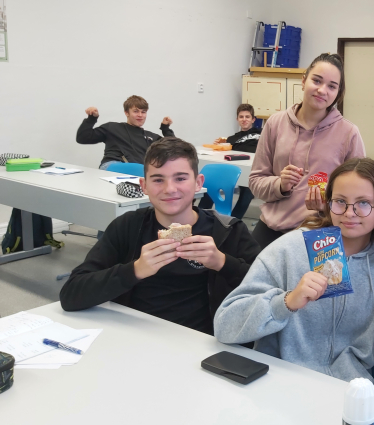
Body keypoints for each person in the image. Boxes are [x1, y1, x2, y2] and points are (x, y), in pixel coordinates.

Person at [214, 158, 374, 384]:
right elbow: (224, 326)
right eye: (340, 201)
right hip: (277, 381)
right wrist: (286, 302)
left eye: (364, 203)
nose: (350, 213)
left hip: (345, 390)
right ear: (328, 203)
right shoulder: (288, 250)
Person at [60, 138, 259, 336]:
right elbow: (71, 294)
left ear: (198, 183)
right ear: (144, 186)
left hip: (202, 340)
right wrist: (135, 270)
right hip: (133, 335)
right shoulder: (128, 226)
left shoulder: (228, 231)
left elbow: (266, 291)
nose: (169, 189)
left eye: (180, 178)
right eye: (158, 180)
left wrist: (222, 263)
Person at [248, 53, 365, 252]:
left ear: (338, 93)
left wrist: (327, 204)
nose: (322, 90)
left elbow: (359, 196)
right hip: (272, 227)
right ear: (303, 81)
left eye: (332, 86)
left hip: (320, 230)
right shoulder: (275, 123)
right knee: (250, 270)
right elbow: (255, 181)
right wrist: (280, 185)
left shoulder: (349, 133)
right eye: (316, 81)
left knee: (322, 276)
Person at [76, 95, 174, 169]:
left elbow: (175, 149)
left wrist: (165, 129)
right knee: (147, 171)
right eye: (136, 111)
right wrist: (91, 119)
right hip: (114, 165)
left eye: (143, 112)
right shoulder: (112, 128)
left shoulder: (151, 137)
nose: (140, 115)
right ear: (126, 113)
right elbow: (83, 138)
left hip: (139, 171)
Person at [199, 103, 260, 219]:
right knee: (212, 184)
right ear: (237, 119)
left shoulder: (261, 134)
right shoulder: (232, 139)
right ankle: (202, 217)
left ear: (253, 119)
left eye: (247, 117)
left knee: (247, 192)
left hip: (252, 169)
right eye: (241, 117)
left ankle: (233, 222)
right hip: (235, 168)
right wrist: (221, 145)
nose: (244, 119)